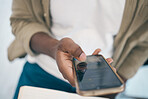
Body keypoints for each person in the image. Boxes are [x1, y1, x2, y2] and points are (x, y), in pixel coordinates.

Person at [8, 0, 148, 99]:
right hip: (42, 75)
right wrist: (54, 48)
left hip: (103, 83)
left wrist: (119, 80)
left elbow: (144, 40)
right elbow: (23, 19)